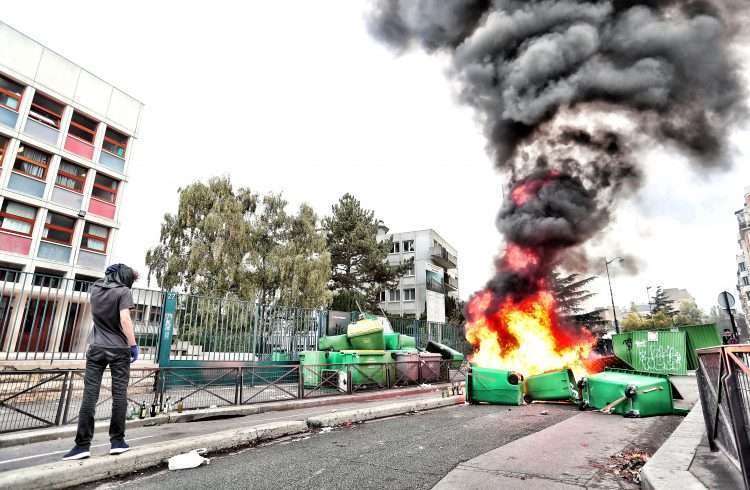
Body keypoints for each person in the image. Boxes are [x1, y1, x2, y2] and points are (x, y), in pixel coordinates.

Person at [63, 264, 139, 461]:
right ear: (125, 278)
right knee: (119, 394)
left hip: (96, 348)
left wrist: (110, 272)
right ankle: (117, 442)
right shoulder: (123, 292)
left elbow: (105, 281)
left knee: (90, 395)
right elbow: (125, 319)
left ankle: (81, 446)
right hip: (119, 350)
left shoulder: (95, 289)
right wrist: (133, 345)